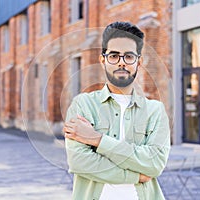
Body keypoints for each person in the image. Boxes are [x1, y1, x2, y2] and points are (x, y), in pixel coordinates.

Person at [63, 21, 170, 200]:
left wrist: (96, 139)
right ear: (102, 60)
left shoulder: (155, 110)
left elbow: (154, 164)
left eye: (129, 56)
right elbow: (79, 162)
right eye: (114, 56)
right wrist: (135, 176)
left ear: (139, 62)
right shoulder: (83, 105)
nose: (121, 63)